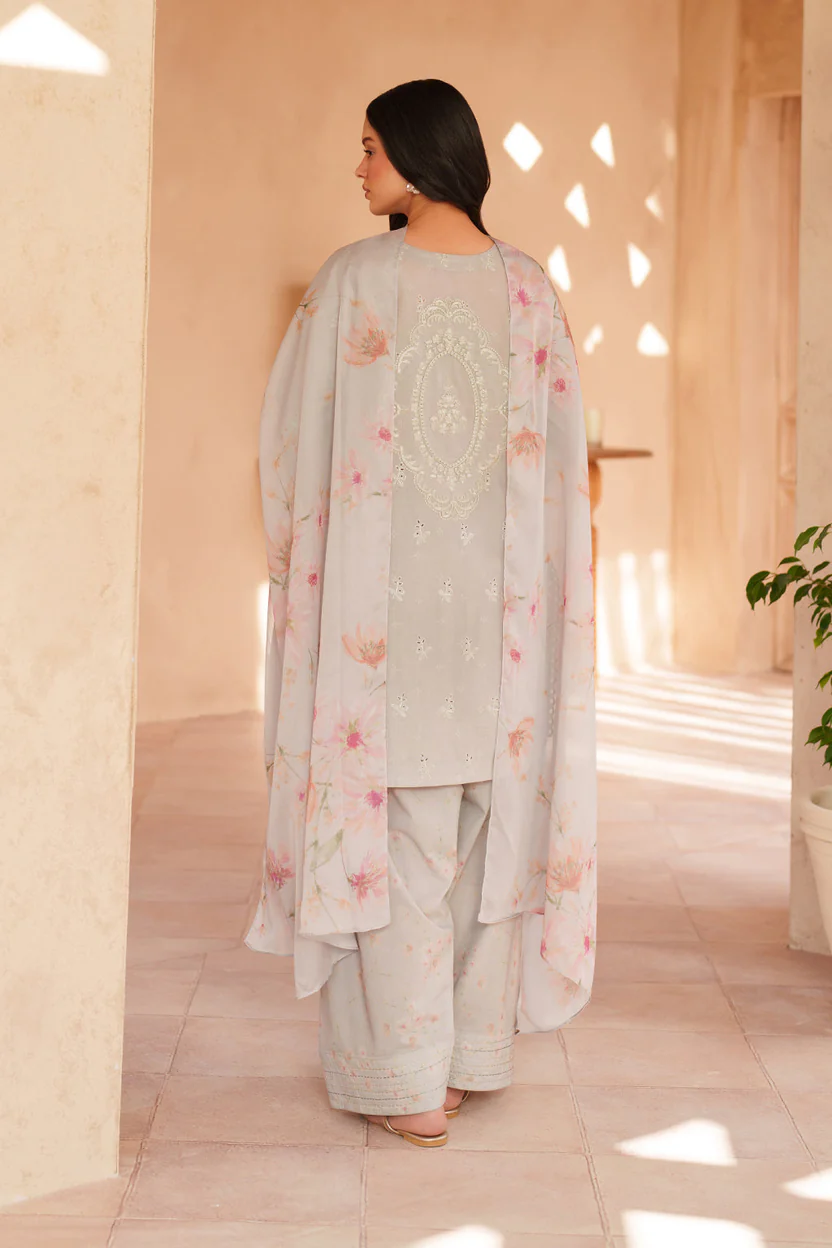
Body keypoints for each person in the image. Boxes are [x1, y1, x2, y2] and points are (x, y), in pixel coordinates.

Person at [244, 79, 596, 1148]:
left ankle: (407, 1083)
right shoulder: (530, 291)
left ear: (416, 151)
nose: (357, 168)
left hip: (381, 636)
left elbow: (289, 443)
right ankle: (466, 1062)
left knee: (391, 850)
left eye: (369, 148)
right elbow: (565, 472)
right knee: (489, 846)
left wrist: (298, 565)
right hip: (501, 633)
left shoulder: (355, 280)